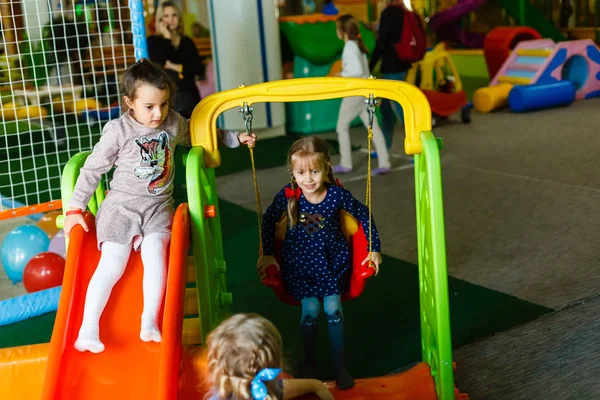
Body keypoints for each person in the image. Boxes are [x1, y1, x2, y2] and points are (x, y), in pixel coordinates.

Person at [64, 59, 256, 354]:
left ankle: (149, 319)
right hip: (121, 207)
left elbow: (199, 133)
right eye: (149, 106)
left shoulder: (173, 123)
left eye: (164, 104)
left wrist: (235, 138)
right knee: (113, 262)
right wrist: (75, 208)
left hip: (158, 208)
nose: (158, 113)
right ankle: (88, 327)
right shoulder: (118, 130)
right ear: (130, 102)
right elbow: (92, 168)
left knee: (157, 255)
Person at [259, 136, 383, 390]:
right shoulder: (288, 195)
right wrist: (269, 253)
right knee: (310, 313)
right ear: (292, 172)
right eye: (301, 172)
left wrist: (374, 248)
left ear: (326, 167)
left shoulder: (336, 194)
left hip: (332, 264)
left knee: (333, 310)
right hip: (301, 268)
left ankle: (340, 366)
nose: (309, 179)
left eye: (315, 171)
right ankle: (311, 363)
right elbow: (268, 221)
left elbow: (364, 214)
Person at [206, 313, 333, 400]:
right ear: (277, 366)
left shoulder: (223, 391)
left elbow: (280, 388)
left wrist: (315, 385)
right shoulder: (262, 391)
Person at [332, 14, 391, 176]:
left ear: (342, 31)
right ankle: (385, 162)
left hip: (356, 92)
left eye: (337, 28)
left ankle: (346, 164)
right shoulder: (358, 46)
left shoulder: (349, 47)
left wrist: (342, 75)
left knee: (341, 126)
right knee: (374, 126)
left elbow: (357, 70)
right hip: (365, 91)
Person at [369, 0, 412, 156]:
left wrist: (371, 64)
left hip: (392, 67)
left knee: (401, 109)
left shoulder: (388, 13)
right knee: (386, 109)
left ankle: (417, 150)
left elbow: (382, 42)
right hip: (402, 64)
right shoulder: (404, 12)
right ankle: (384, 148)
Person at [147, 1, 204, 118]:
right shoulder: (154, 41)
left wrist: (175, 67)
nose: (171, 19)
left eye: (174, 15)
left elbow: (198, 68)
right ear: (160, 20)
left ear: (179, 18)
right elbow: (159, 64)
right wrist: (167, 39)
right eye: (166, 16)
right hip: (168, 95)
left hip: (189, 93)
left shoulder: (187, 41)